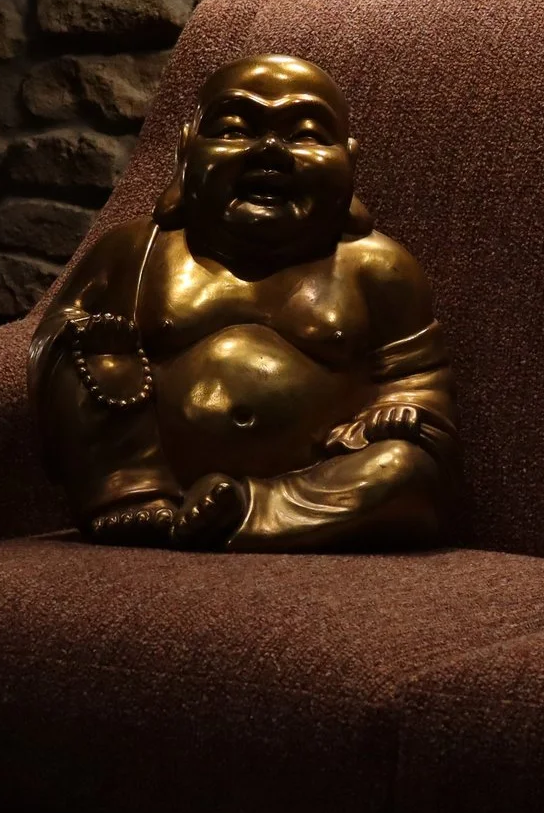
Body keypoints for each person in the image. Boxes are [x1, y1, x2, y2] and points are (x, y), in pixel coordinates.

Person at [29, 54, 460, 551]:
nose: (271, 151)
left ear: (349, 159)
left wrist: (399, 410)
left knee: (403, 471)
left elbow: (420, 378)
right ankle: (131, 496)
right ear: (186, 152)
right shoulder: (136, 252)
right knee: (80, 351)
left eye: (304, 134)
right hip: (149, 471)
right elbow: (50, 340)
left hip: (319, 474)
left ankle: (246, 511)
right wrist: (92, 351)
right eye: (235, 130)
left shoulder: (378, 267)